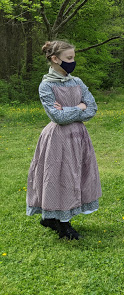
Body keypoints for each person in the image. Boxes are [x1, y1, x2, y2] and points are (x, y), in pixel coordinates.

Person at [27, 40, 102, 239]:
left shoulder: (77, 82)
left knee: (77, 175)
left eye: (73, 57)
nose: (72, 61)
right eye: (69, 58)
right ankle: (63, 224)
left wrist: (72, 109)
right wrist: (79, 108)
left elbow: (92, 108)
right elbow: (57, 117)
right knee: (60, 177)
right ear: (55, 59)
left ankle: (53, 218)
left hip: (78, 136)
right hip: (57, 138)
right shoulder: (46, 86)